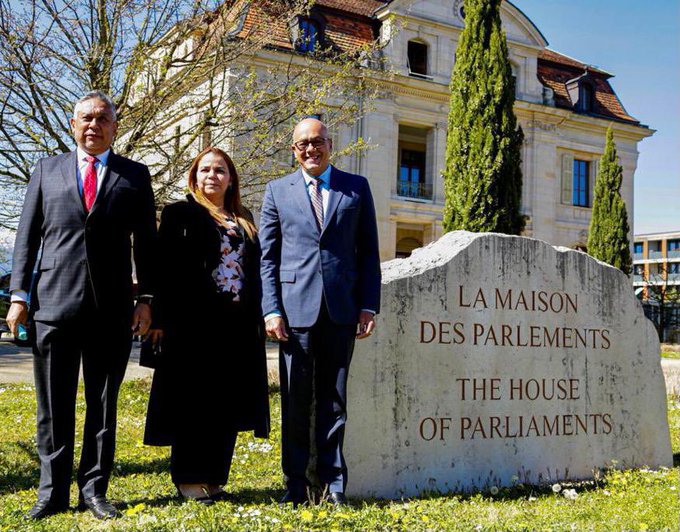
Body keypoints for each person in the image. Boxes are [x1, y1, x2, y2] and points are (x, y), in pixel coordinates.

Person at [7, 91, 157, 520]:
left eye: (103, 119)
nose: (94, 125)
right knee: (52, 405)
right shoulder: (45, 170)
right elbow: (26, 238)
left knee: (104, 404)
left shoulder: (134, 176)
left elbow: (146, 243)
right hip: (53, 306)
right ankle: (51, 493)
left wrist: (145, 298)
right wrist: (19, 296)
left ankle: (94, 489)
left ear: (114, 126)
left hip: (111, 310)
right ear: (74, 125)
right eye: (86, 119)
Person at [259, 118, 381, 506]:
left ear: (331, 144)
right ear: (293, 150)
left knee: (334, 401)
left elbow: (369, 253)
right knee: (295, 401)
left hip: (342, 312)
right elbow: (267, 258)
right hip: (294, 316)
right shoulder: (277, 191)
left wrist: (367, 305)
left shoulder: (356, 188)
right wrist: (271, 308)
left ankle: (334, 484)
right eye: (302, 144)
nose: (311, 150)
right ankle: (295, 484)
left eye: (318, 142)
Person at [143, 147, 270, 504]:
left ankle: (214, 478)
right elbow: (165, 268)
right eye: (205, 170)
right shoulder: (180, 213)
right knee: (193, 402)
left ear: (231, 179)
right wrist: (160, 317)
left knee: (226, 402)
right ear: (194, 177)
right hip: (193, 325)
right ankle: (188, 478)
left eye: (220, 170)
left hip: (237, 324)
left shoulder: (243, 218)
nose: (212, 176)